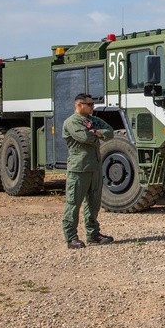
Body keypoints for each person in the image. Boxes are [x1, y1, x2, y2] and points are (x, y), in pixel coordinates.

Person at [62, 93, 114, 249]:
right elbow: (85, 137)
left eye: (93, 104)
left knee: (93, 203)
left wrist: (97, 133)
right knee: (73, 203)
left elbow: (110, 132)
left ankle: (93, 234)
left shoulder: (93, 121)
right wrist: (96, 135)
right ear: (79, 105)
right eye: (90, 105)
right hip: (79, 169)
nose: (93, 107)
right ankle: (71, 237)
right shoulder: (71, 122)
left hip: (95, 168)